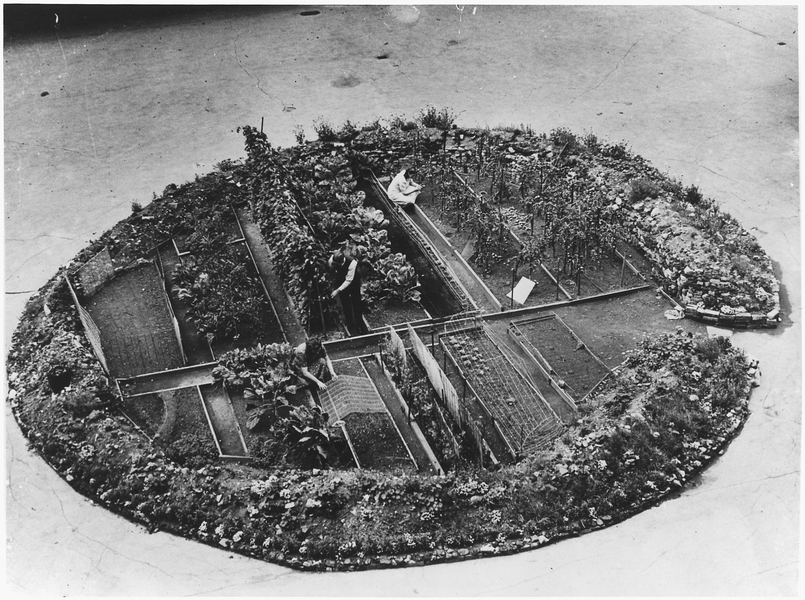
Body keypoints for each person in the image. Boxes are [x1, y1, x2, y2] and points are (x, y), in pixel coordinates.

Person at [329, 248, 367, 335]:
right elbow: (330, 265)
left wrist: (337, 290)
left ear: (343, 260)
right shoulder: (333, 259)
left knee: (356, 303)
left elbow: (349, 280)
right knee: (345, 303)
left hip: (353, 282)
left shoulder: (352, 263)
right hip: (341, 280)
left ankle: (359, 324)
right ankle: (350, 323)